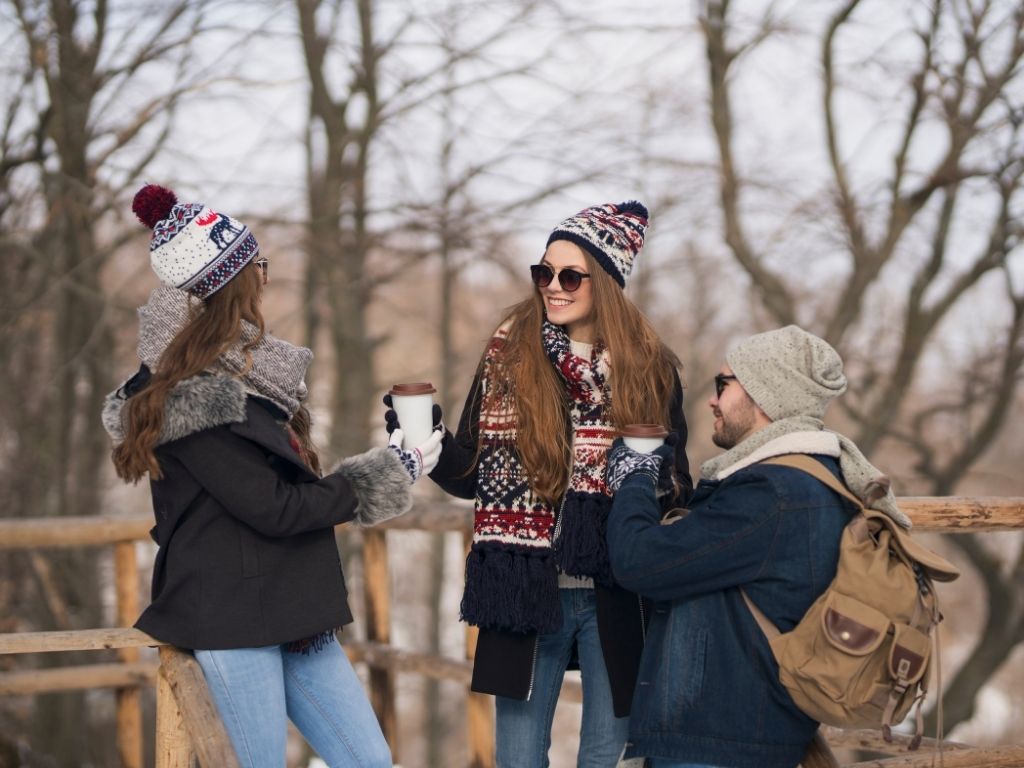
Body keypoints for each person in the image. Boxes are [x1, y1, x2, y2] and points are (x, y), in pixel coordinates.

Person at [103, 184, 443, 768]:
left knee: (369, 761)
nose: (265, 276)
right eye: (258, 264)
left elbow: (283, 490)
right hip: (233, 617)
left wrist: (394, 461)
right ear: (230, 282)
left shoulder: (243, 378)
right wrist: (390, 472)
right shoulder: (194, 397)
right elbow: (275, 507)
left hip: (290, 608)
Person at [389, 201, 691, 767]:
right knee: (519, 758)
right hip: (524, 588)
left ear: (604, 282)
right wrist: (427, 440)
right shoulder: (510, 354)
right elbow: (473, 475)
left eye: (570, 275)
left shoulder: (650, 367)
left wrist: (643, 482)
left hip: (617, 591)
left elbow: (679, 484)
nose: (553, 286)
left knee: (607, 757)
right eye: (543, 272)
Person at [604, 325, 912, 768]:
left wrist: (633, 474)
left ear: (765, 395)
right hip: (751, 734)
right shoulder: (817, 477)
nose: (713, 399)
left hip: (719, 740)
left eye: (724, 384)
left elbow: (639, 561)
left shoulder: (770, 494)